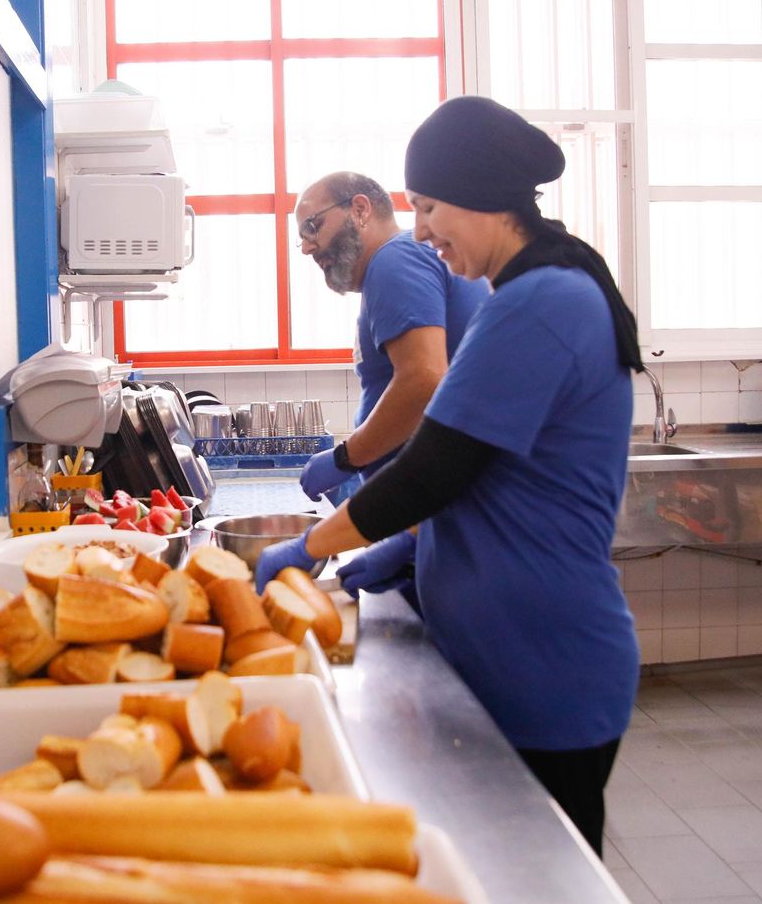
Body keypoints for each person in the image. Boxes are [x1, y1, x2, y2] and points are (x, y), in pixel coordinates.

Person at [255, 96, 642, 853]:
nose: (423, 230)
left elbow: (435, 464)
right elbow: (486, 474)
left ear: (487, 195)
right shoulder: (525, 293)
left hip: (546, 664)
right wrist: (406, 550)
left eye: (431, 207)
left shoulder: (544, 301)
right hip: (507, 662)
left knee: (541, 881)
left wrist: (316, 546)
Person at [293, 173, 489, 504]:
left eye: (313, 226)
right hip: (439, 496)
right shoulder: (409, 258)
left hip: (443, 501)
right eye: (302, 237)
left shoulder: (395, 260)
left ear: (359, 209)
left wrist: (346, 458)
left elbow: (424, 379)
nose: (307, 247)